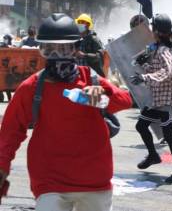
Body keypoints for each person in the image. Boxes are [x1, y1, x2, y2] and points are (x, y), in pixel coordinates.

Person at [0, 13, 133, 211]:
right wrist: (2, 167)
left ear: (76, 50)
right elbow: (10, 131)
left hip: (94, 181)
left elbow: (125, 101)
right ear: (42, 51)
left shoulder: (92, 80)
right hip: (49, 182)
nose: (57, 56)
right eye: (50, 50)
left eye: (63, 48)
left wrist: (103, 95)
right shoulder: (32, 87)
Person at [131, 13, 172, 184]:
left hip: (166, 100)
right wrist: (142, 65)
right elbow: (155, 68)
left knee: (169, 136)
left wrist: (145, 77)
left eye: (153, 28)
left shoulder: (164, 51)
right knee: (141, 125)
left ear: (157, 32)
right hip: (156, 99)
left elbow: (167, 71)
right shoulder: (155, 48)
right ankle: (153, 155)